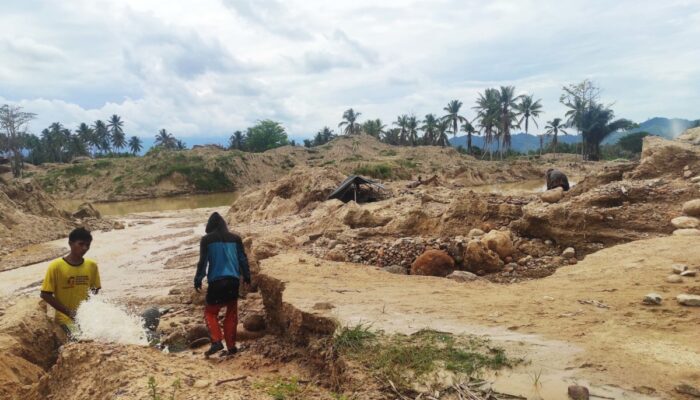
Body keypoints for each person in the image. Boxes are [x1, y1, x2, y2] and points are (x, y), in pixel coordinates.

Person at [194, 212, 251, 357]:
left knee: (210, 312)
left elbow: (203, 261)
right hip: (233, 281)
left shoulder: (206, 240)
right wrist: (247, 276)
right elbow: (242, 259)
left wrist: (198, 278)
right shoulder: (235, 238)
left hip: (217, 282)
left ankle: (216, 341)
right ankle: (231, 348)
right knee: (231, 313)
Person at [40, 227, 101, 336]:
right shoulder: (56, 266)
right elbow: (45, 294)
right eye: (81, 244)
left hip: (86, 316)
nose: (84, 248)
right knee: (80, 338)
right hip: (65, 317)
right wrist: (69, 312)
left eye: (88, 245)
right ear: (70, 243)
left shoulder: (92, 265)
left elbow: (94, 290)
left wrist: (91, 309)